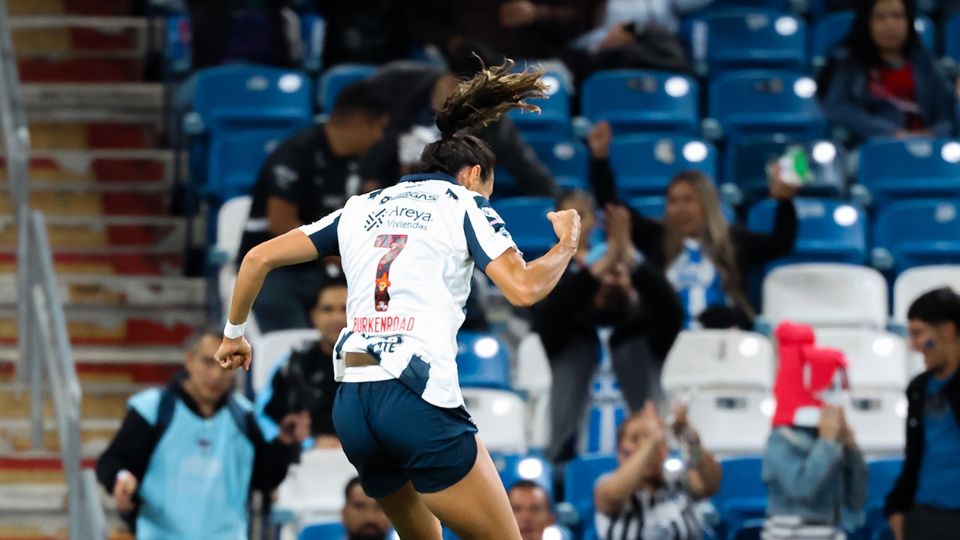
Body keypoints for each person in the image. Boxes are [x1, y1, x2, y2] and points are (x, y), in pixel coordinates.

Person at [215, 60, 582, 540]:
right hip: (414, 396)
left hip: (352, 402)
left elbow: (257, 258)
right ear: (473, 175)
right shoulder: (465, 205)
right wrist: (566, 246)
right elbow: (526, 288)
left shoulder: (361, 207)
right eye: (487, 190)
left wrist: (234, 336)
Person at [95, 327, 306, 538]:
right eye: (208, 362)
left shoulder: (244, 417)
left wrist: (284, 444)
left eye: (226, 364)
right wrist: (121, 478)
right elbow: (113, 460)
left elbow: (264, 479)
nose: (216, 375)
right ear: (189, 360)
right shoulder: (152, 409)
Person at [587, 121, 798, 329]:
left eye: (688, 200)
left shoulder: (733, 241)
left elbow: (781, 243)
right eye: (673, 201)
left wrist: (785, 202)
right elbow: (612, 206)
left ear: (707, 205)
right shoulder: (655, 237)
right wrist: (600, 160)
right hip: (665, 343)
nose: (680, 209)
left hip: (722, 343)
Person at [533, 190, 683, 462]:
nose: (610, 281)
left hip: (640, 468)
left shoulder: (648, 338)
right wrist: (603, 263)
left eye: (618, 273)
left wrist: (627, 255)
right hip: (570, 466)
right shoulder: (565, 338)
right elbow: (553, 309)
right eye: (604, 274)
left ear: (634, 284)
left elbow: (669, 307)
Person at [237, 80, 389, 332]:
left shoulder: (356, 163)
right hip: (278, 267)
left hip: (322, 267)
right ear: (360, 122)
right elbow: (281, 223)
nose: (379, 137)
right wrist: (336, 255)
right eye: (379, 128)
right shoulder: (296, 153)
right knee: (284, 308)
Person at [360, 47, 560, 197]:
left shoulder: (488, 118)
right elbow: (353, 126)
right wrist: (366, 179)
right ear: (451, 80)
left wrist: (561, 198)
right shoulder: (394, 82)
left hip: (444, 203)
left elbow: (525, 167)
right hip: (379, 191)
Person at [762, 322, 867, 540]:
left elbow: (857, 498)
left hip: (831, 531)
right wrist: (827, 443)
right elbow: (801, 488)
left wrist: (851, 447)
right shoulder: (780, 439)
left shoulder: (830, 438)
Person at [817, 0, 957, 143]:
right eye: (880, 17)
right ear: (867, 22)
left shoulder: (926, 62)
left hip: (929, 148)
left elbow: (948, 114)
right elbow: (836, 108)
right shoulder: (846, 62)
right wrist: (889, 133)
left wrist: (932, 134)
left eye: (897, 16)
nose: (890, 25)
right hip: (871, 149)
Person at [885, 287, 960, 540]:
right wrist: (896, 507)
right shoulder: (918, 388)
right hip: (924, 517)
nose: (914, 345)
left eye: (918, 333)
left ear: (948, 329)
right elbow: (914, 455)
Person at [594, 401, 722, 539]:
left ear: (665, 450)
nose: (646, 446)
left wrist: (686, 433)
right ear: (620, 451)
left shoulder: (680, 479)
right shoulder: (606, 484)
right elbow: (613, 497)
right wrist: (652, 440)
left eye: (654, 440)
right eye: (635, 439)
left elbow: (711, 483)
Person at [256, 277, 348, 448]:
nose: (337, 318)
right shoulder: (290, 367)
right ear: (314, 316)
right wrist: (309, 443)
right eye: (328, 309)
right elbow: (264, 421)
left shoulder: (379, 367)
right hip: (305, 465)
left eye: (346, 309)